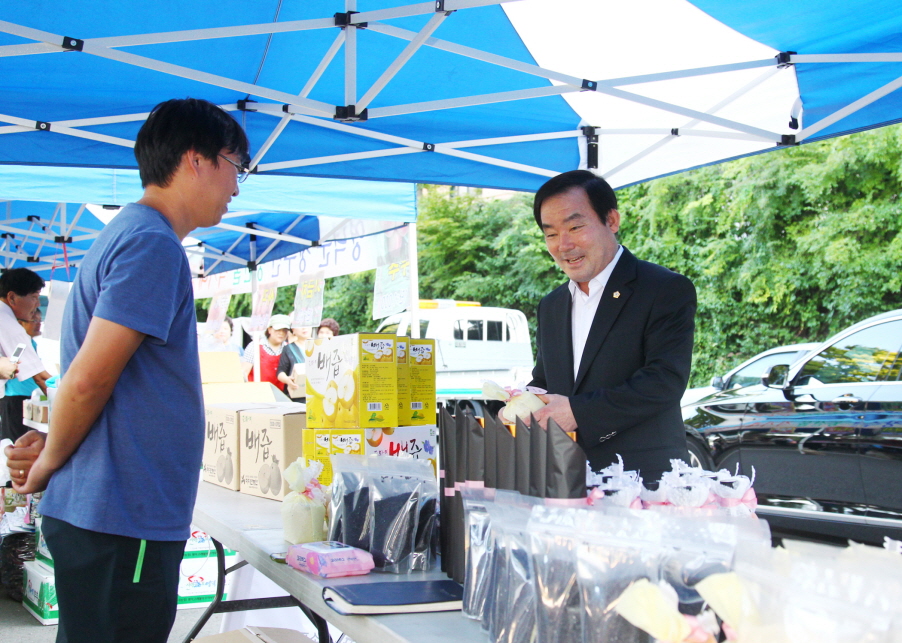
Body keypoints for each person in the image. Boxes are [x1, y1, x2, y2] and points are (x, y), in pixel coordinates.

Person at [4, 97, 250, 643]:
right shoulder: (152, 245)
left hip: (115, 514)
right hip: (122, 517)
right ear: (196, 159)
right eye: (238, 166)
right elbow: (91, 378)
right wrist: (46, 465)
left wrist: (51, 447)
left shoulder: (132, 235)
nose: (237, 188)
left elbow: (103, 382)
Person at [528, 170, 696, 483]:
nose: (563, 245)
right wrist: (523, 401)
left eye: (575, 227)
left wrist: (578, 412)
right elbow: (545, 379)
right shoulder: (551, 306)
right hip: (566, 480)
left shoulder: (664, 288)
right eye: (551, 234)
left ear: (612, 220)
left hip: (645, 483)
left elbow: (664, 381)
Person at [0, 268, 52, 442]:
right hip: (15, 400)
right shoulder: (9, 324)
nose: (37, 304)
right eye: (34, 297)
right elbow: (42, 379)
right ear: (12, 297)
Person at [1, 308, 44, 442]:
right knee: (13, 442)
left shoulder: (31, 343)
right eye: (34, 320)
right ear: (20, 324)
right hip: (14, 399)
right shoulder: (18, 344)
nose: (38, 324)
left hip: (30, 398)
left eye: (39, 320)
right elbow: (39, 377)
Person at [242, 313, 290, 387]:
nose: (281, 333)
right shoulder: (255, 346)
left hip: (282, 395)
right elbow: (244, 372)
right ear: (269, 330)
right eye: (278, 329)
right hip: (258, 392)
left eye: (285, 330)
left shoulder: (289, 348)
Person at [277, 322, 311, 398]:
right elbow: (280, 372)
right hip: (298, 395)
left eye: (306, 325)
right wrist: (287, 380)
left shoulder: (321, 345)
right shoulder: (288, 349)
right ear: (293, 330)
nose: (304, 328)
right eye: (300, 326)